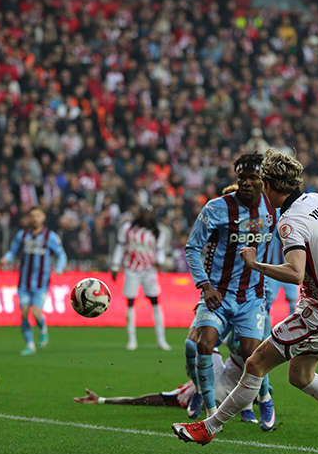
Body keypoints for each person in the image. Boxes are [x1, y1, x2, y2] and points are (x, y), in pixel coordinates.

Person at [173, 148, 318, 454]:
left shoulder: (289, 222)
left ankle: (209, 427)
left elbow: (295, 273)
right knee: (300, 376)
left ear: (270, 185)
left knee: (256, 363)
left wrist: (255, 264)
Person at [184, 154, 277, 428]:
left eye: (252, 178)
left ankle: (265, 399)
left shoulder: (274, 208)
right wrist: (206, 286)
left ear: (264, 181)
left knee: (252, 353)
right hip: (218, 294)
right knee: (202, 343)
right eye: (241, 178)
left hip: (252, 296)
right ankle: (210, 411)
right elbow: (192, 248)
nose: (245, 183)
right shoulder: (217, 208)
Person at [75, 342, 258, 422]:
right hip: (230, 388)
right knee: (249, 356)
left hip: (218, 385)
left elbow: (151, 399)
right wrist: (102, 400)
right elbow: (152, 399)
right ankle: (259, 399)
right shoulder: (181, 396)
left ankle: (258, 400)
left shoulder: (181, 395)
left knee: (207, 346)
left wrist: (103, 400)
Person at [1, 206, 68, 355]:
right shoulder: (22, 235)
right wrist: (7, 258)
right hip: (24, 282)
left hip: (41, 283)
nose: (35, 219)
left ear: (43, 217)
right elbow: (13, 250)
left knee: (37, 314)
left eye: (37, 216)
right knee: (24, 314)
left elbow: (61, 254)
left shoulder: (50, 236)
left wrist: (59, 268)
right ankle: (30, 345)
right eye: (32, 216)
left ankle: (42, 328)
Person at [110, 205, 171, 351]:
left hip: (149, 270)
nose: (146, 216)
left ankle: (161, 339)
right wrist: (115, 265)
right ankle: (132, 340)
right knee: (130, 302)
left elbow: (159, 251)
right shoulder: (128, 229)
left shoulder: (157, 232)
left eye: (149, 214)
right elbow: (120, 247)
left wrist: (160, 262)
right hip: (131, 269)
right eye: (144, 213)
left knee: (155, 301)